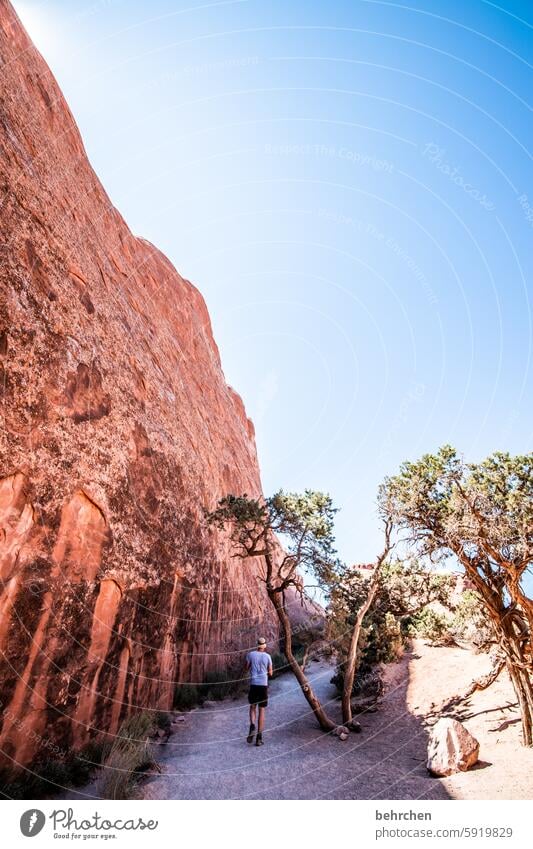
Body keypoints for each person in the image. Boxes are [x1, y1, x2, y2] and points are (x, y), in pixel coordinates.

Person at [245, 637, 273, 746]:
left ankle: (252, 725)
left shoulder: (250, 655)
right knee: (262, 710)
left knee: (252, 707)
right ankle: (259, 738)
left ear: (257, 645)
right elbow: (270, 673)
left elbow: (246, 668)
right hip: (263, 685)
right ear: (264, 646)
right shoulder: (268, 656)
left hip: (253, 684)